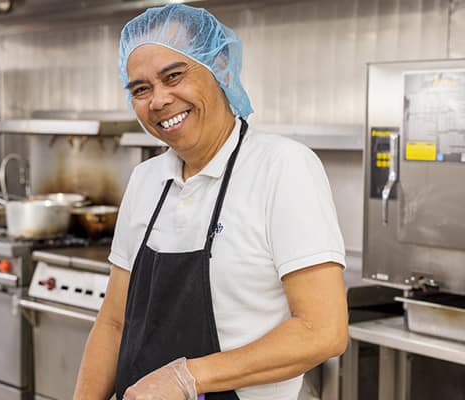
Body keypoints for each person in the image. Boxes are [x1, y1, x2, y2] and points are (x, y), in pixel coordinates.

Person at [73, 5, 349, 400]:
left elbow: (322, 331)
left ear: (220, 67)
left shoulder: (282, 167)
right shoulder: (145, 180)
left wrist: (186, 377)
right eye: (140, 89)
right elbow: (114, 323)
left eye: (173, 76)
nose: (158, 100)